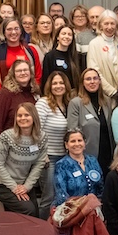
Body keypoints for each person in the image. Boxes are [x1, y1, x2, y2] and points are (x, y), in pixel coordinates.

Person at [0, 102, 49, 217]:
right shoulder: (6, 137)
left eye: (26, 115)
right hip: (1, 184)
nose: (23, 118)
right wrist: (14, 187)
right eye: (19, 115)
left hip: (23, 183)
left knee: (36, 215)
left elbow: (39, 163)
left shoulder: (42, 137)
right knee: (28, 210)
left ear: (34, 117)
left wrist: (27, 186)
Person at [36, 71, 73, 216]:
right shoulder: (43, 103)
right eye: (55, 83)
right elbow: (36, 130)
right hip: (48, 158)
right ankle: (42, 230)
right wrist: (42, 154)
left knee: (63, 196)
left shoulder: (68, 104)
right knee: (49, 196)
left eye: (61, 83)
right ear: (49, 86)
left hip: (64, 157)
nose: (58, 86)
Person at [68, 68, 115, 171]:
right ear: (82, 83)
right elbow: (72, 131)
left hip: (108, 154)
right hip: (87, 156)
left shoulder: (107, 101)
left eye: (95, 78)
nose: (92, 82)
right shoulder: (76, 103)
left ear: (99, 81)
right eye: (88, 79)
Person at [0, 18, 43, 87]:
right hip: (5, 93)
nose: (13, 32)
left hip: (29, 93)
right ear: (3, 32)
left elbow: (38, 75)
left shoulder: (31, 50)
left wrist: (32, 90)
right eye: (9, 29)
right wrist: (3, 92)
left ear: (21, 31)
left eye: (16, 28)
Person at [53, 129, 104, 207]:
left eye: (79, 140)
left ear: (84, 143)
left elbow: (101, 186)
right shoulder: (61, 165)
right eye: (73, 141)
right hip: (71, 211)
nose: (77, 144)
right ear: (66, 145)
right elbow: (61, 195)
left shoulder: (92, 160)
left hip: (94, 208)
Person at [87, 10, 118, 97]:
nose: (110, 27)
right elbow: (94, 71)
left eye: (112, 23)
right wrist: (112, 92)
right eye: (106, 24)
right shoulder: (94, 44)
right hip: (103, 94)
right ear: (100, 25)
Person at [42, 22, 84, 88]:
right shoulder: (50, 56)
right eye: (63, 34)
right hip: (56, 93)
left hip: (73, 94)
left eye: (69, 34)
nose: (66, 36)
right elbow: (46, 80)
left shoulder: (76, 56)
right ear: (58, 37)